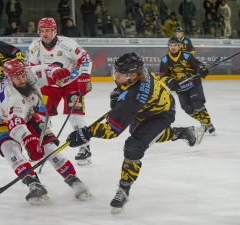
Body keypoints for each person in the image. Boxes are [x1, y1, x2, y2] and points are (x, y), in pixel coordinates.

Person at [63, 52, 203, 213]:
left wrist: (86, 133)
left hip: (161, 114)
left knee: (134, 147)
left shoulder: (133, 98)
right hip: (148, 107)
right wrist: (120, 96)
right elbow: (129, 93)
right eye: (116, 72)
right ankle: (181, 133)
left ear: (134, 75)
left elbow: (111, 131)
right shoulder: (139, 74)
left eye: (120, 75)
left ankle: (124, 189)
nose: (116, 77)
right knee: (142, 135)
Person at [0, 59, 93, 204]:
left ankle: (74, 180)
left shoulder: (28, 74)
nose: (23, 80)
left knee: (49, 147)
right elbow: (16, 124)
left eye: (23, 76)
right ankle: (33, 183)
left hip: (29, 115)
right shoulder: (13, 98)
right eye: (18, 78)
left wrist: (56, 71)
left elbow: (45, 69)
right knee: (10, 149)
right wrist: (28, 140)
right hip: (1, 122)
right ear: (9, 79)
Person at [26, 17, 93, 166]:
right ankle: (43, 145)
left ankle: (84, 147)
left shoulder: (67, 44)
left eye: (48, 30)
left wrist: (85, 77)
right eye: (42, 31)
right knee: (40, 116)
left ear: (54, 31)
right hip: (49, 85)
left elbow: (85, 59)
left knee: (75, 116)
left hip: (71, 83)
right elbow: (30, 70)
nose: (44, 34)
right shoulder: (34, 47)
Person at [159, 36, 215, 135]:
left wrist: (202, 70)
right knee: (188, 109)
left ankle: (208, 123)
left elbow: (199, 65)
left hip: (193, 83)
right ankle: (203, 122)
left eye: (175, 45)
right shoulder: (165, 60)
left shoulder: (186, 55)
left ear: (180, 46)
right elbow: (163, 76)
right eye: (171, 45)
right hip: (180, 87)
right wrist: (171, 82)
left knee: (197, 104)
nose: (173, 47)